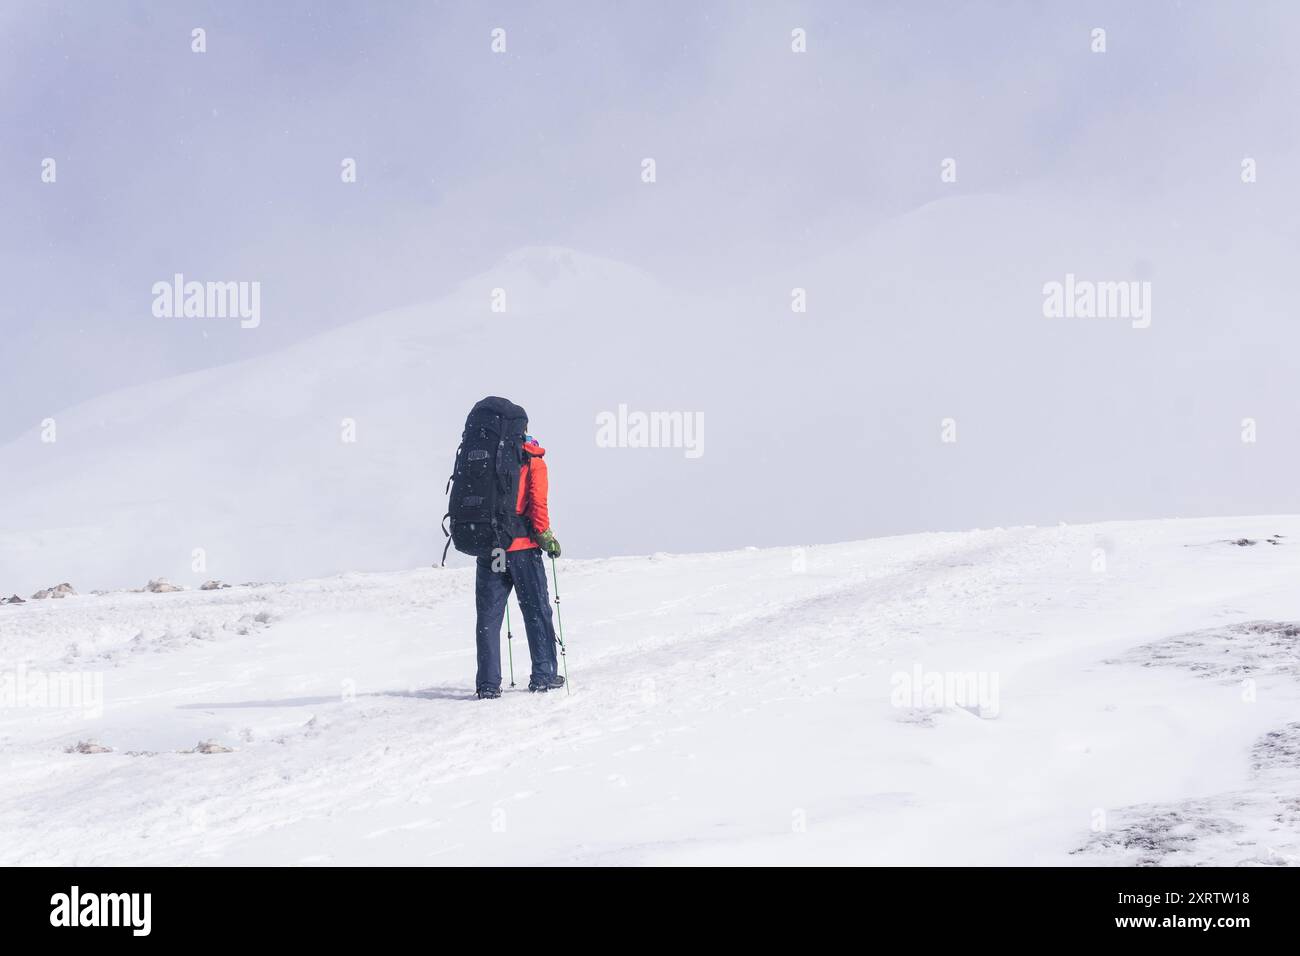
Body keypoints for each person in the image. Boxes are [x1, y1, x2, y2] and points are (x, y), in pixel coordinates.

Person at [475, 434, 563, 698]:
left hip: (493, 549)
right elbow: (538, 503)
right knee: (536, 610)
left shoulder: (485, 457)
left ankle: (488, 685)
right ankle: (544, 675)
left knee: (489, 618)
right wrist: (546, 538)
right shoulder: (531, 458)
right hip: (522, 550)